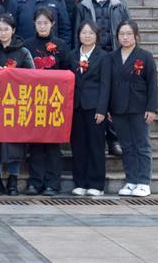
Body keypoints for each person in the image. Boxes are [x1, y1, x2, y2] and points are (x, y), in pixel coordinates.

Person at [99, 20, 158, 197]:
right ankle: (131, 180)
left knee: (142, 145)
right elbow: (106, 85)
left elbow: (152, 84)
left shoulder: (145, 56)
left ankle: (144, 182)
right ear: (117, 36)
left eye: (129, 34)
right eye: (121, 34)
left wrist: (152, 108)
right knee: (127, 146)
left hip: (139, 107)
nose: (125, 37)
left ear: (136, 36)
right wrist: (107, 108)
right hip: (118, 108)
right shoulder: (111, 57)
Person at [76, 0, 130, 157]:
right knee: (95, 96)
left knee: (114, 97)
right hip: (92, 57)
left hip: (113, 54)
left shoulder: (119, 6)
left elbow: (128, 30)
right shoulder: (83, 6)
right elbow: (77, 31)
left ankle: (114, 140)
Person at [0, 13, 34, 197]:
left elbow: (33, 76)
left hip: (16, 104)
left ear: (13, 30)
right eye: (0, 29)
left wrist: (14, 74)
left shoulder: (23, 52)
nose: (3, 33)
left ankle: (13, 180)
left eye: (6, 29)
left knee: (15, 143)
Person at [23, 7, 69, 196]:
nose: (42, 26)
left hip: (55, 102)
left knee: (52, 144)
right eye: (39, 23)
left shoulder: (61, 45)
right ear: (34, 24)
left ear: (52, 24)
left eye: (46, 23)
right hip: (34, 101)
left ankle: (52, 183)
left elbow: (67, 72)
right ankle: (35, 182)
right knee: (35, 144)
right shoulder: (27, 45)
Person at [65, 21, 109, 196]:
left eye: (91, 33)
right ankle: (80, 183)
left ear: (96, 36)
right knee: (78, 145)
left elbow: (105, 85)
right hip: (76, 106)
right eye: (84, 33)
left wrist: (102, 109)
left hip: (95, 107)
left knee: (95, 146)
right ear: (79, 35)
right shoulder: (72, 55)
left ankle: (96, 184)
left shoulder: (103, 57)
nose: (87, 36)